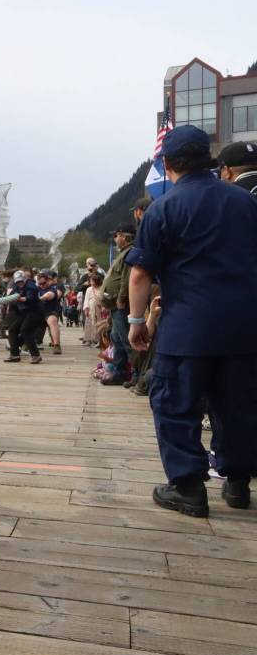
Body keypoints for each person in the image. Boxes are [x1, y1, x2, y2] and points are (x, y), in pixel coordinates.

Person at [128, 125, 257, 517]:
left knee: (175, 404)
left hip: (188, 328)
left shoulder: (163, 208)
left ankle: (187, 487)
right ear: (212, 161)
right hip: (245, 327)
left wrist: (136, 321)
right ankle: (237, 485)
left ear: (166, 163)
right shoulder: (247, 203)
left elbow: (139, 274)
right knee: (239, 407)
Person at [98, 224, 135, 386]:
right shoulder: (124, 253)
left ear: (125, 237)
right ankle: (119, 372)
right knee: (117, 338)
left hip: (120, 304)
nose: (115, 239)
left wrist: (121, 298)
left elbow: (127, 279)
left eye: (117, 235)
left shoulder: (130, 253)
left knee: (127, 339)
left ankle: (136, 374)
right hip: (114, 304)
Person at [4, 270, 43, 363]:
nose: (20, 283)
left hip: (35, 312)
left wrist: (19, 298)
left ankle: (36, 355)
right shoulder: (16, 286)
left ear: (25, 279)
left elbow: (29, 299)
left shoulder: (31, 286)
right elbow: (10, 296)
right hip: (25, 312)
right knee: (12, 329)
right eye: (17, 281)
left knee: (25, 331)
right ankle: (14, 355)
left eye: (21, 281)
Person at [37, 270, 62, 354]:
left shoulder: (52, 289)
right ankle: (25, 344)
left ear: (48, 281)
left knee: (53, 321)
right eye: (39, 284)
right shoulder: (37, 289)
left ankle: (56, 345)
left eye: (43, 283)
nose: (41, 285)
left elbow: (49, 295)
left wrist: (40, 298)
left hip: (50, 312)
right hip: (38, 313)